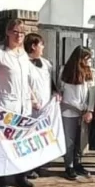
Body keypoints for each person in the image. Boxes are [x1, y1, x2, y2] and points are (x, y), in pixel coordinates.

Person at [0, 18, 38, 187]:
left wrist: (33, 97)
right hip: (5, 106)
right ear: (7, 32)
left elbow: (25, 81)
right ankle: (0, 178)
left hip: (24, 107)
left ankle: (21, 176)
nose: (19, 36)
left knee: (21, 143)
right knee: (4, 144)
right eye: (15, 32)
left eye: (22, 33)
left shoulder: (23, 55)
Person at [24, 33, 59, 179]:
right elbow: (25, 84)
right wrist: (32, 100)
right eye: (41, 44)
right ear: (33, 46)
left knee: (42, 137)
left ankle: (39, 165)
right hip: (31, 108)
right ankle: (28, 168)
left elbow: (51, 81)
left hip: (45, 107)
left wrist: (56, 92)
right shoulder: (23, 63)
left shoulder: (46, 64)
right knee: (29, 138)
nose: (43, 47)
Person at [59, 46, 95, 180]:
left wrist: (89, 110)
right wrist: (73, 107)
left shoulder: (89, 72)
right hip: (68, 110)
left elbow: (92, 92)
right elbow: (61, 92)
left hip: (83, 111)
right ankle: (69, 166)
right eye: (86, 58)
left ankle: (78, 163)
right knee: (69, 140)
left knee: (81, 140)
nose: (88, 61)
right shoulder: (65, 71)